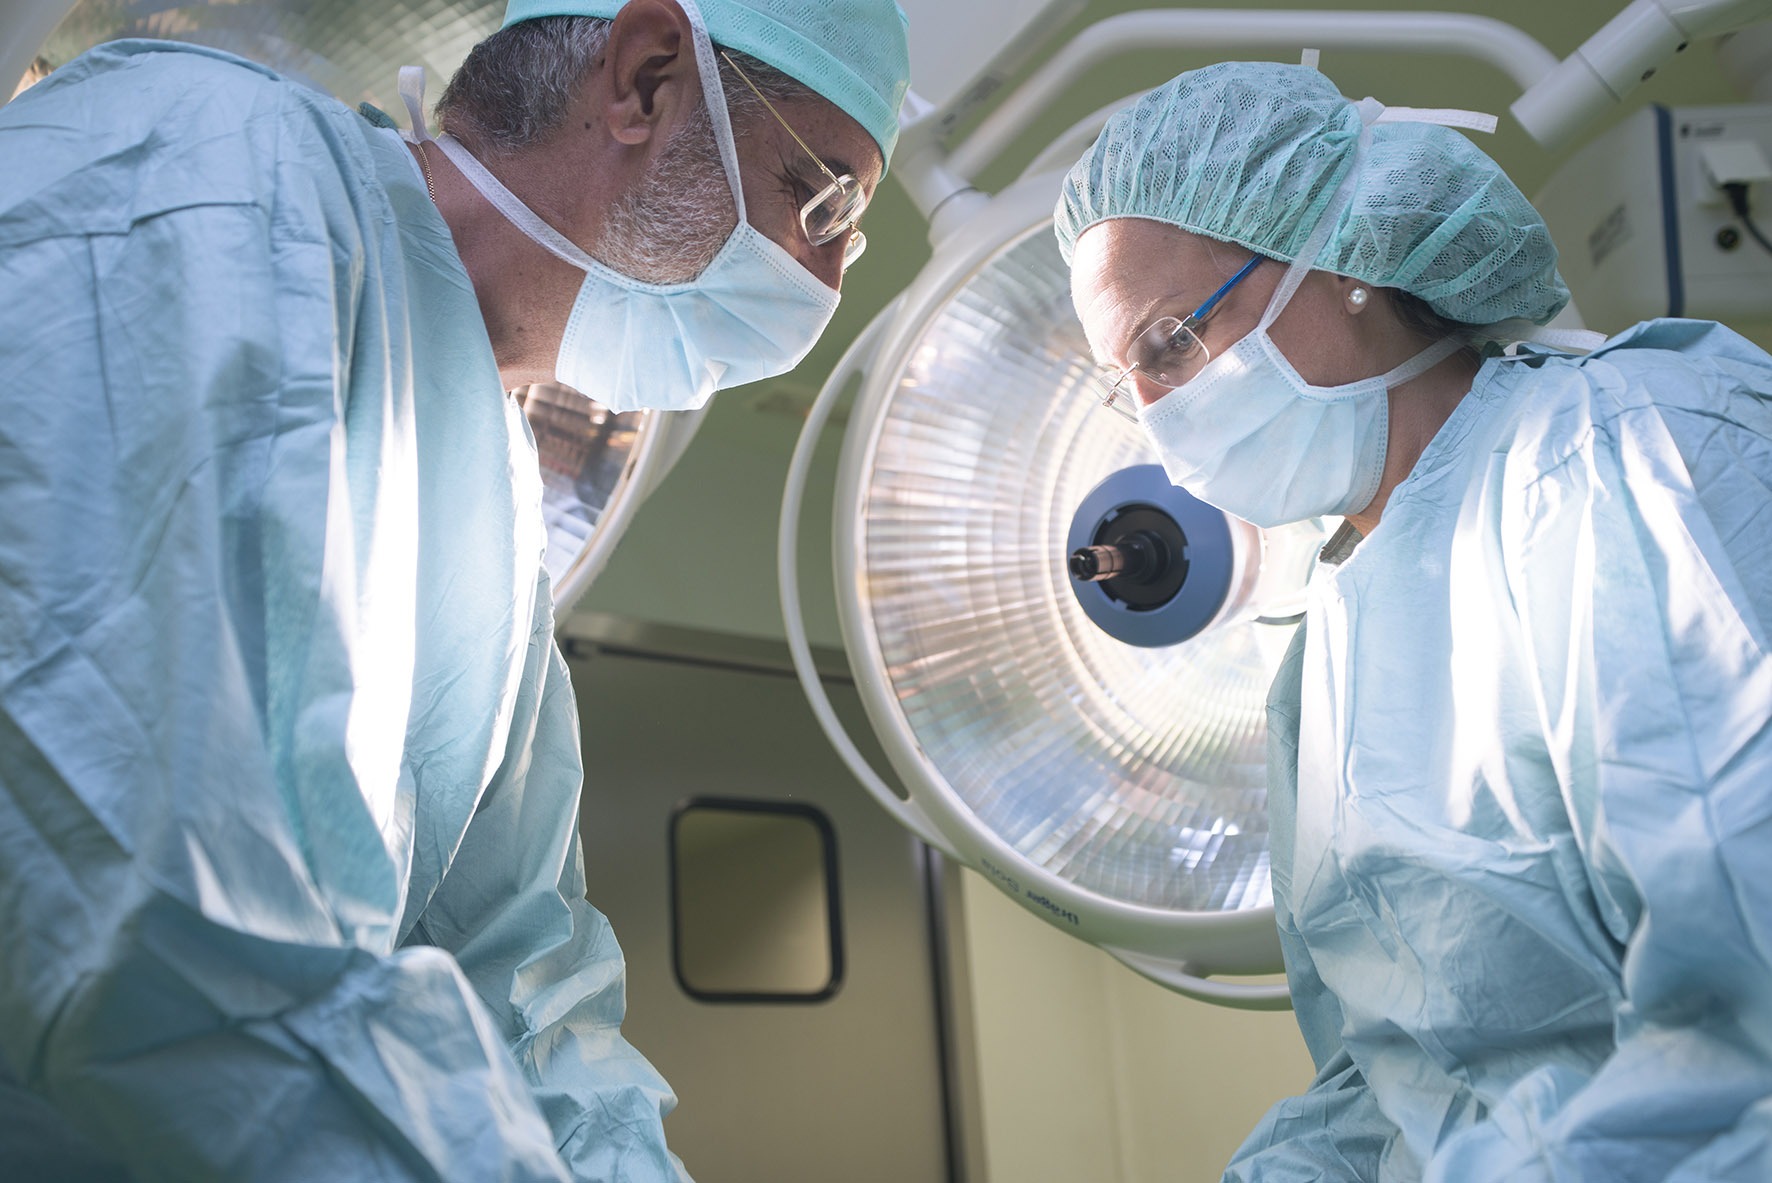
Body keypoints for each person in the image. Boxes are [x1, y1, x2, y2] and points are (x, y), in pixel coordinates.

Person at [0, 0, 908, 1179]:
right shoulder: (207, 173)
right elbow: (139, 905)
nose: (828, 278)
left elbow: (521, 991)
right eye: (821, 198)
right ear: (644, 80)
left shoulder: (487, 498)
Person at [1056, 61, 1772, 1181]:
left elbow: (1748, 1002)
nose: (1159, 417)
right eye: (1126, 382)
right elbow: (1390, 1079)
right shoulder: (1321, 658)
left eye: (1167, 343)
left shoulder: (1623, 451)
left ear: (1332, 259)